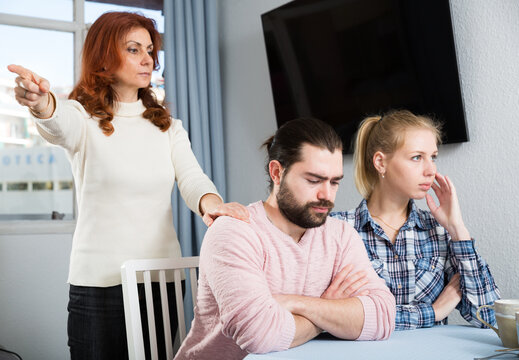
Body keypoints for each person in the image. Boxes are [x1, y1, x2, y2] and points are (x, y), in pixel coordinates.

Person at [8, 11, 248, 360]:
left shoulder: (168, 127)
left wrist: (213, 204)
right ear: (105, 57)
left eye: (150, 50)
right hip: (96, 284)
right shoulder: (82, 118)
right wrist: (40, 101)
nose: (148, 59)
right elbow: (56, 120)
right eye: (134, 49)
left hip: (159, 283)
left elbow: (193, 178)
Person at [174, 118, 395, 360]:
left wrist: (295, 303)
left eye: (334, 182)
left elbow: (383, 318)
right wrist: (328, 313)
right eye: (313, 180)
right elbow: (259, 335)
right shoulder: (234, 232)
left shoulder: (341, 236)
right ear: (277, 172)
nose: (327, 195)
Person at [331, 110, 500, 330]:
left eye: (433, 157)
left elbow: (489, 318)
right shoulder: (337, 230)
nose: (431, 170)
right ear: (381, 162)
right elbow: (333, 316)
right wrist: (434, 312)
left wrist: (457, 229)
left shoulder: (438, 230)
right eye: (417, 157)